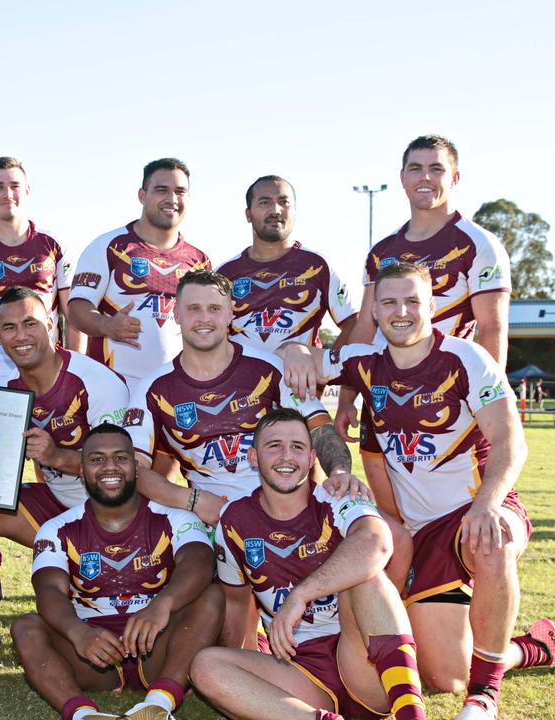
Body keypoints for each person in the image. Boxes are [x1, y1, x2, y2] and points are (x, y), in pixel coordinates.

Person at [279, 262, 552, 720]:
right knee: (445, 674)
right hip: (420, 534)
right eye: (388, 302)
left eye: (412, 301)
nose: (400, 311)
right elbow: (307, 360)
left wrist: (486, 505)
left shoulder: (467, 358)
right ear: (377, 309)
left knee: (492, 542)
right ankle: (530, 648)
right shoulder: (363, 362)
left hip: (476, 509)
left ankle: (484, 699)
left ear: (431, 306)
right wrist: (293, 349)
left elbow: (510, 440)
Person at [126, 269, 363, 648]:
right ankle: (247, 651)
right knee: (215, 631)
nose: (204, 318)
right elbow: (133, 472)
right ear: (176, 315)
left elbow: (319, 428)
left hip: (285, 506)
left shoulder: (268, 369)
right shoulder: (154, 387)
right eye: (194, 309)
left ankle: (366, 641)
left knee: (384, 539)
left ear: (231, 313)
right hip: (211, 514)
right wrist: (195, 501)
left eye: (214, 308)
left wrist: (337, 470)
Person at [192, 408, 428, 720]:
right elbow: (237, 604)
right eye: (274, 446)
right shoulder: (234, 520)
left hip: (359, 655)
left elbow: (378, 542)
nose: (286, 456)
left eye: (298, 447)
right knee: (206, 666)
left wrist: (300, 596)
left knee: (366, 575)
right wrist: (246, 678)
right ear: (252, 457)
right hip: (298, 668)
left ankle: (411, 714)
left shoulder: (338, 496)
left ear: (313, 457)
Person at [0, 287, 132, 654]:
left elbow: (124, 470)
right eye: (8, 328)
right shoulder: (6, 392)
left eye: (30, 323)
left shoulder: (97, 382)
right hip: (61, 507)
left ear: (52, 327)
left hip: (117, 518)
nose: (20, 336)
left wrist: (58, 456)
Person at [337, 135, 512, 513]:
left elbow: (492, 329)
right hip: (385, 393)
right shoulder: (382, 252)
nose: (425, 177)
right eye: (416, 168)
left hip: (450, 395)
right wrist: (347, 399)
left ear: (455, 177)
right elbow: (365, 330)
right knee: (394, 515)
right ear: (402, 177)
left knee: (464, 513)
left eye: (437, 168)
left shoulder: (478, 244)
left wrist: (488, 404)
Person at [12, 423, 222, 720]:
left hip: (159, 646)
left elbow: (199, 560)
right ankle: (83, 714)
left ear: (136, 468)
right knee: (25, 627)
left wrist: (162, 605)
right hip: (96, 654)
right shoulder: (57, 528)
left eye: (120, 458)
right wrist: (79, 633)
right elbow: (48, 591)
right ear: (82, 471)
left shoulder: (175, 518)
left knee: (211, 595)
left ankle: (159, 704)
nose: (110, 466)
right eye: (97, 459)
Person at [68, 158, 210, 389]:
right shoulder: (109, 246)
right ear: (142, 196)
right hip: (114, 386)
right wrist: (107, 325)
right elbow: (76, 309)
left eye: (180, 191)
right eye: (161, 190)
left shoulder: (199, 261)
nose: (172, 199)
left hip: (177, 389)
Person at [0, 156, 76, 383]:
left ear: (27, 190)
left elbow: (73, 316)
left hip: (50, 376)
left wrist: (74, 373)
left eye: (14, 186)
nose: (7, 194)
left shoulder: (54, 243)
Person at [216, 175, 358, 354]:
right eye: (264, 202)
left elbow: (353, 323)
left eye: (284, 202)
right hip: (238, 382)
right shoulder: (224, 273)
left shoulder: (318, 266)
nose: (276, 210)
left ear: (295, 211)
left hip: (299, 383)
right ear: (248, 214)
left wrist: (325, 367)